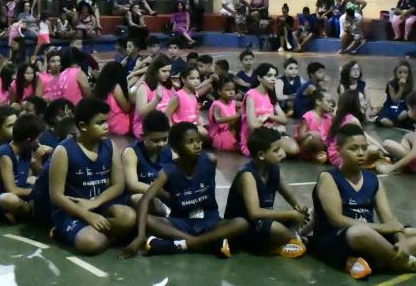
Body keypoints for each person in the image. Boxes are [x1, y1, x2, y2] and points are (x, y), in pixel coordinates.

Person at [310, 125, 416, 279]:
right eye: (353, 148)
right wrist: (383, 228)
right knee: (359, 232)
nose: (361, 153)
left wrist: (402, 241)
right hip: (335, 239)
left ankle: (373, 261)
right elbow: (337, 220)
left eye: (364, 148)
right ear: (339, 149)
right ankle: (412, 264)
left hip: (370, 237)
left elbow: (388, 219)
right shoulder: (328, 178)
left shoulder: (372, 179)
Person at [121, 122, 243, 257]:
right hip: (181, 223)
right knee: (149, 220)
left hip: (210, 221)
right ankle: (209, 243)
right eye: (190, 142)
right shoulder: (168, 171)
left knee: (241, 223)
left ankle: (179, 245)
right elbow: (145, 200)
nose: (197, 145)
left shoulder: (210, 160)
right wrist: (140, 236)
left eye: (198, 140)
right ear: (176, 147)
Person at [39, 98, 135, 255]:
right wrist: (87, 215)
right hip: (73, 210)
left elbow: (118, 185)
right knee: (90, 243)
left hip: (100, 204)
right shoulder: (63, 150)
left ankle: (96, 232)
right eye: (100, 123)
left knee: (129, 217)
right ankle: (79, 232)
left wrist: (96, 202)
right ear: (83, 126)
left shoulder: (110, 145)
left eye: (106, 121)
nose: (106, 126)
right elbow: (56, 196)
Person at [223, 126, 309, 257]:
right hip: (244, 228)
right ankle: (298, 240)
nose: (282, 153)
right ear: (261, 155)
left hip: (262, 222)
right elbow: (254, 213)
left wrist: (300, 210)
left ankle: (286, 241)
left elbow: (292, 198)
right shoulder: (248, 175)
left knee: (306, 213)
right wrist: (292, 215)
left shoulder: (274, 169)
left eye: (281, 148)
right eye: (276, 150)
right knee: (274, 227)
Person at [0, 115, 41, 224]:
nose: (38, 142)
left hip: (18, 190)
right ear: (28, 139)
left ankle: (18, 213)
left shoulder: (26, 150)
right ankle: (30, 213)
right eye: (36, 139)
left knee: (35, 180)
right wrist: (38, 192)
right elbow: (12, 190)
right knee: (11, 200)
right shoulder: (5, 155)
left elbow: (40, 172)